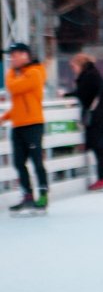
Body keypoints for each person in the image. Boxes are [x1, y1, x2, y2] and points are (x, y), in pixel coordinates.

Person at [2, 42, 49, 214]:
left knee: (37, 161)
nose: (11, 59)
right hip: (18, 125)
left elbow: (13, 87)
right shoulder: (16, 74)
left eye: (15, 55)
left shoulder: (35, 73)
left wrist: (10, 74)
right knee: (18, 162)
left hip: (34, 124)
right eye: (11, 55)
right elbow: (18, 105)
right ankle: (27, 195)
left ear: (25, 55)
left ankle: (43, 195)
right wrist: (3, 118)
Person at [65, 53, 103, 191]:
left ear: (80, 65)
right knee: (102, 150)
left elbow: (84, 94)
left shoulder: (89, 76)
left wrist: (67, 94)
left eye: (74, 66)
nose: (73, 70)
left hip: (98, 119)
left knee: (100, 149)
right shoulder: (94, 74)